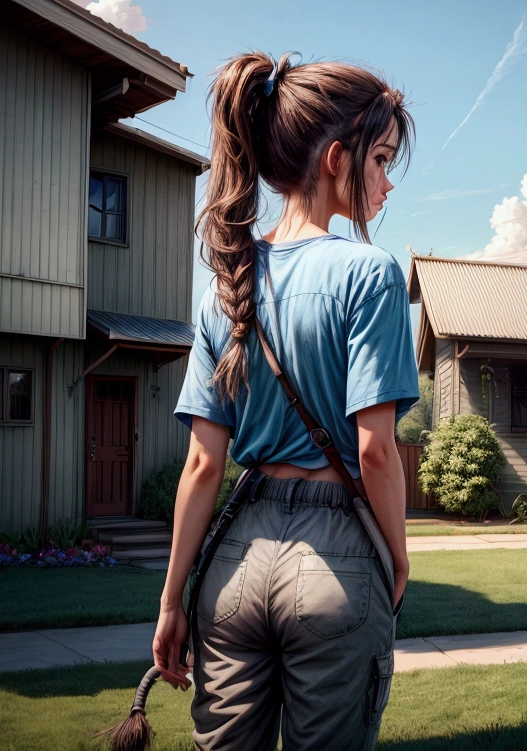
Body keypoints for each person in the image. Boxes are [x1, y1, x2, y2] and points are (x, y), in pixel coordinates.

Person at [153, 52, 418, 751]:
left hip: (232, 565)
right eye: (382, 159)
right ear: (337, 158)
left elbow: (203, 468)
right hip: (336, 565)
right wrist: (396, 555)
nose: (388, 182)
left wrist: (172, 598)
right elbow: (376, 451)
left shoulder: (226, 287)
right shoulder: (370, 274)